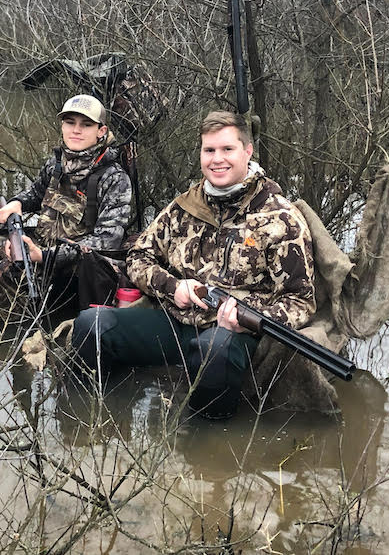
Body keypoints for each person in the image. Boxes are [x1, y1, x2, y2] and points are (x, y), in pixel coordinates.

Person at [71, 110, 316, 419]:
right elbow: (138, 257)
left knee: (215, 350)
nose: (217, 159)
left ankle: (204, 452)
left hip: (233, 336)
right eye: (209, 150)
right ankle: (88, 426)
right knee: (91, 325)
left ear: (248, 151)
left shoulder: (280, 219)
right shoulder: (185, 206)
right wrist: (174, 287)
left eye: (228, 149)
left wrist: (247, 318)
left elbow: (301, 302)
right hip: (177, 322)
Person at [0, 94, 132, 315]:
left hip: (70, 265)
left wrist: (45, 255)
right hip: (38, 243)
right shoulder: (56, 163)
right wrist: (17, 204)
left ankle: (16, 336)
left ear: (101, 131)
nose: (76, 130)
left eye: (86, 124)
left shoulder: (114, 178)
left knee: (7, 273)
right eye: (70, 122)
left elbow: (107, 240)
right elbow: (34, 194)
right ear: (62, 125)